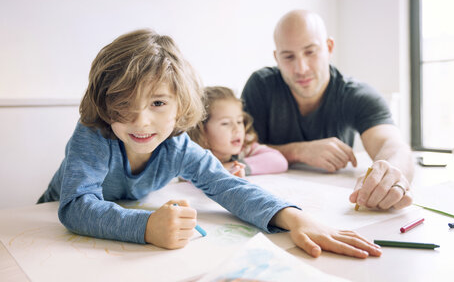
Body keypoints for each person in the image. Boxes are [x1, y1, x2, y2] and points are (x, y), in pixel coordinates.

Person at [37, 29, 382, 259]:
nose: (140, 121)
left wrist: (293, 218)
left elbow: (227, 186)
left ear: (180, 104)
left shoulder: (178, 146)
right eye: (124, 105)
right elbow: (75, 206)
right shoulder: (93, 133)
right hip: (45, 230)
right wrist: (145, 227)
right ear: (104, 102)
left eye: (157, 104)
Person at [241, 10, 414, 211]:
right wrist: (300, 151)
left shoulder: (357, 94)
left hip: (334, 206)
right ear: (276, 58)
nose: (301, 68)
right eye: (288, 57)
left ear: (329, 47)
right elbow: (237, 153)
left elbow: (393, 145)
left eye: (310, 52)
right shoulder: (261, 86)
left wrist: (390, 173)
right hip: (267, 204)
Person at [188, 86, 288, 177]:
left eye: (239, 121)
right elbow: (191, 174)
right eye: (225, 123)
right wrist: (220, 170)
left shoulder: (245, 146)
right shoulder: (193, 153)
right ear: (201, 129)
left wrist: (234, 167)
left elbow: (280, 161)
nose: (237, 129)